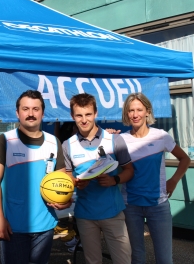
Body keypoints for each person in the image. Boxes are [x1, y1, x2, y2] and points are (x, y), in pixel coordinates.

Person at [0, 90, 71, 264]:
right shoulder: (5, 140)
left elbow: (63, 180)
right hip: (13, 226)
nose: (31, 114)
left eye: (35, 109)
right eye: (26, 109)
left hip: (45, 225)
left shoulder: (53, 142)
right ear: (17, 113)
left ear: (43, 112)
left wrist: (65, 201)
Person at [62, 93, 134, 264]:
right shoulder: (67, 145)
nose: (84, 119)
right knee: (92, 261)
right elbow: (67, 176)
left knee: (123, 260)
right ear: (73, 116)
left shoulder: (115, 140)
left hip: (113, 212)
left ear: (95, 113)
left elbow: (130, 171)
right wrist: (77, 182)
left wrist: (114, 180)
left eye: (88, 114)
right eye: (79, 115)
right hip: (85, 215)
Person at [120, 93, 190, 264]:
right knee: (137, 256)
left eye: (139, 110)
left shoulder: (161, 136)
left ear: (147, 111)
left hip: (158, 205)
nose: (135, 114)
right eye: (131, 110)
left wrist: (173, 181)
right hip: (131, 205)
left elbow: (185, 159)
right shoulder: (120, 139)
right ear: (126, 113)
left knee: (164, 258)